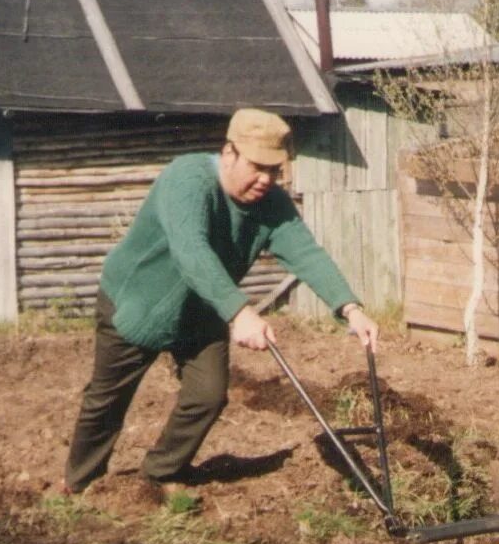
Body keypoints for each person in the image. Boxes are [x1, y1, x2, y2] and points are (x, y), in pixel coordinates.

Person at [61, 108, 378, 496]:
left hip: (203, 309)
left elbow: (306, 253)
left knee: (208, 395)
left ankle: (160, 472)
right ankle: (80, 484)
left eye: (275, 170)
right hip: (138, 302)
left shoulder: (271, 204)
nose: (266, 179)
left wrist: (350, 308)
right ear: (229, 153)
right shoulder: (188, 179)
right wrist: (241, 312)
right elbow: (191, 249)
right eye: (257, 166)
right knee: (107, 402)